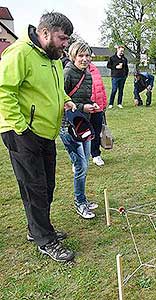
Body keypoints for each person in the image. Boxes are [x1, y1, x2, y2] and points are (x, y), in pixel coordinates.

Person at [0, 12, 76, 262]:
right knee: (35, 187)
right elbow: (3, 92)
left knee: (47, 185)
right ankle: (44, 239)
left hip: (45, 131)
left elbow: (54, 88)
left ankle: (39, 229)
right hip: (21, 132)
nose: (66, 43)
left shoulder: (52, 56)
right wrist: (22, 128)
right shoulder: (19, 52)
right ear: (45, 33)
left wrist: (65, 100)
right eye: (62, 38)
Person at [60, 41, 99, 220]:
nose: (85, 59)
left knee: (85, 164)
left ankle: (82, 198)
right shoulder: (67, 73)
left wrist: (91, 105)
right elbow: (60, 99)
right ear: (73, 56)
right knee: (80, 165)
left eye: (87, 55)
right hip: (68, 126)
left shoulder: (88, 75)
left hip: (83, 124)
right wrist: (83, 107)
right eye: (81, 56)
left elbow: (83, 97)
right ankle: (80, 202)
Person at [88, 60, 108, 166]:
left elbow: (101, 88)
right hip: (84, 108)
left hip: (98, 107)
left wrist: (103, 103)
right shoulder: (73, 70)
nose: (85, 58)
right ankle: (78, 159)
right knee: (82, 134)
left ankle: (96, 154)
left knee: (96, 132)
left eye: (87, 55)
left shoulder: (95, 69)